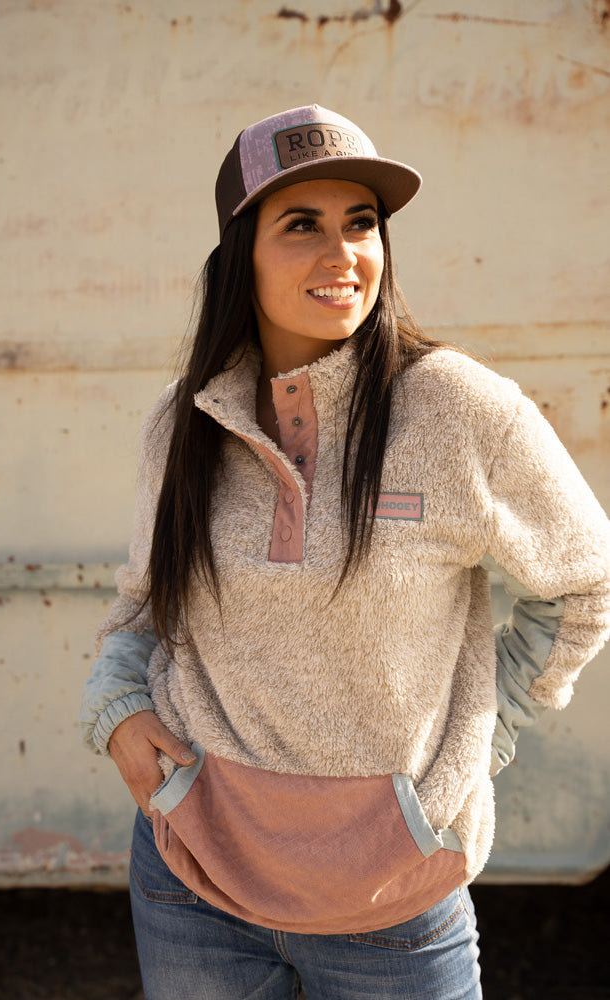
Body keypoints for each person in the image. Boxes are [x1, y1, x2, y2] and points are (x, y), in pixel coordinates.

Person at [79, 105, 610, 1000]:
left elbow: (585, 582)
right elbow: (144, 606)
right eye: (301, 226)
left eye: (360, 223)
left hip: (393, 905)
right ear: (239, 252)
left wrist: (481, 735)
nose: (344, 255)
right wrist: (118, 706)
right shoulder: (185, 421)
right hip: (191, 886)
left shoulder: (460, 409)